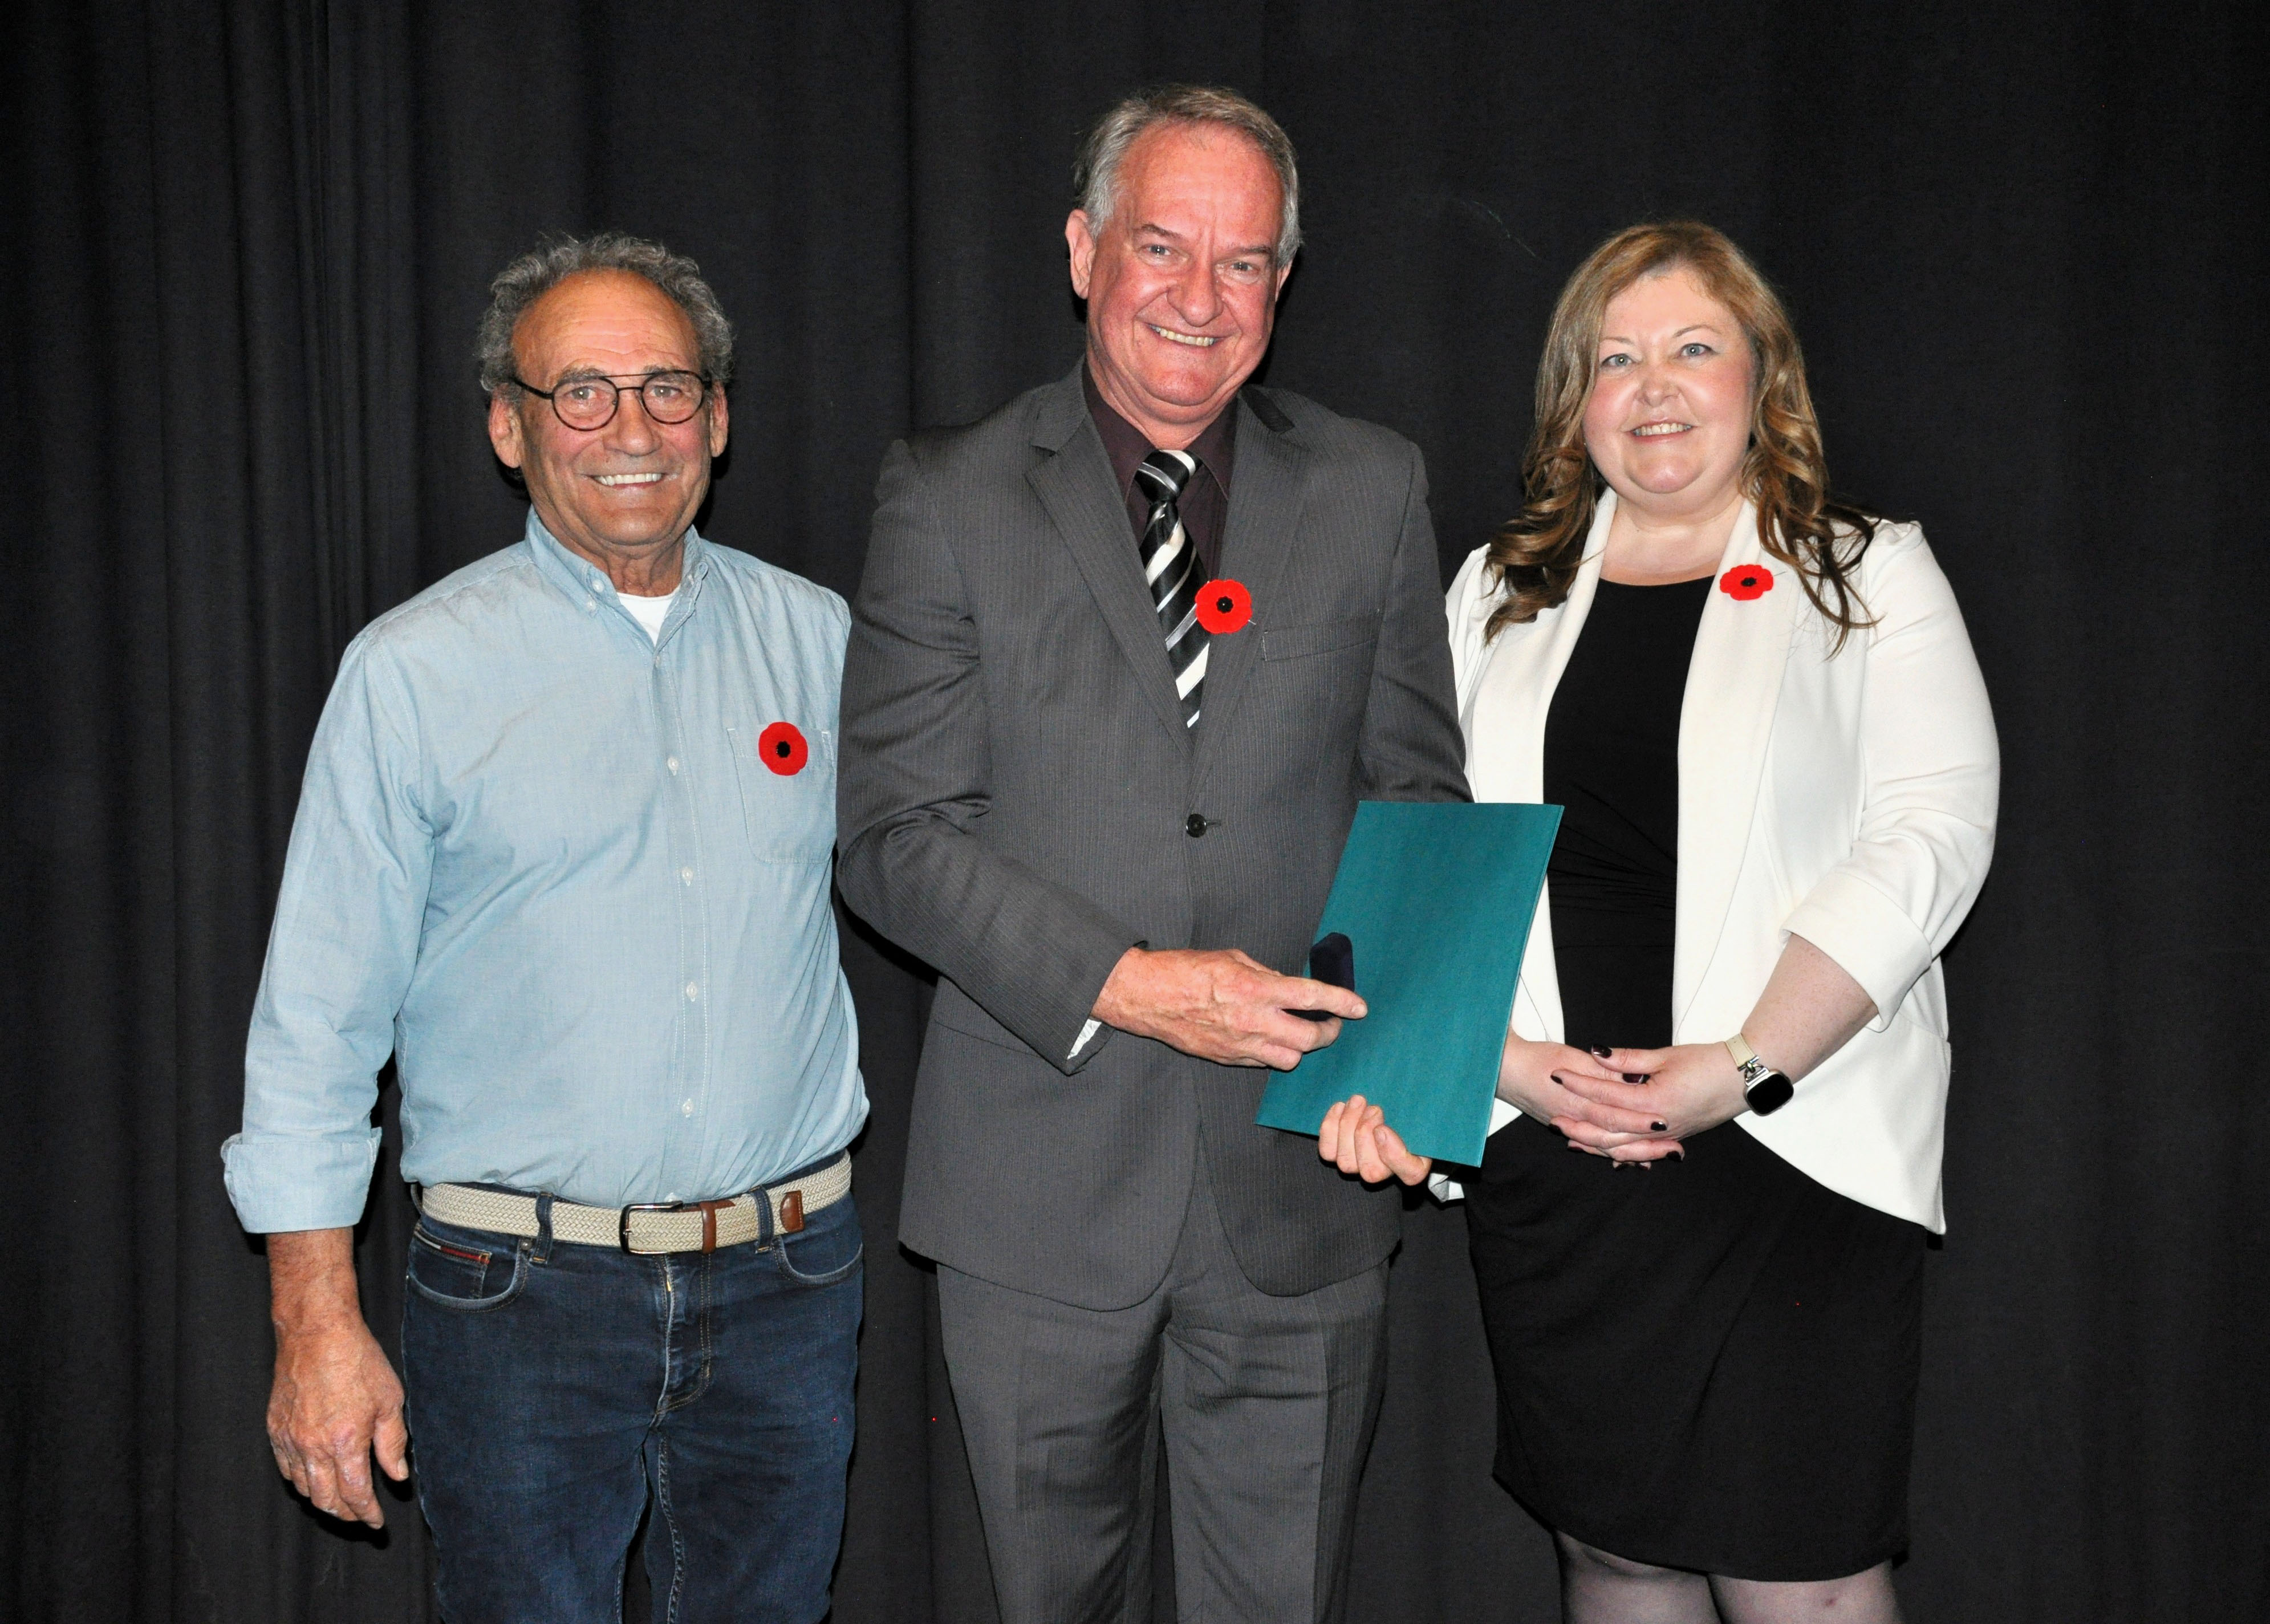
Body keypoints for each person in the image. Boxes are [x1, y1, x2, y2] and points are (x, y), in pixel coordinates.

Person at [835, 86, 1467, 1623]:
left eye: (1244, 262)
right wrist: (1129, 985)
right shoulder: (948, 493)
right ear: (1080, 250)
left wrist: (1410, 1073)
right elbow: (894, 837)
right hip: (1035, 1205)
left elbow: (1418, 806)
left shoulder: (1372, 487)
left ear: (1281, 285)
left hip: (1302, 1191)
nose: (1200, 298)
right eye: (1161, 247)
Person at [1327, 221, 1998, 1621]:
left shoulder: (1867, 574)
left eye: (1692, 347)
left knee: (1802, 1574)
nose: (1653, 385)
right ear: (1575, 401)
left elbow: (1930, 839)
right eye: (1613, 358)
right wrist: (1493, 1067)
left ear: (1763, 378)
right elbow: (1421, 846)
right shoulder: (1494, 594)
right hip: (1557, 1149)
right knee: (1613, 1552)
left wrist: (1740, 1065)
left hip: (1785, 1150)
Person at [221, 234, 868, 1624]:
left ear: (721, 416)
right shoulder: (413, 673)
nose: (631, 428)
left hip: (791, 1284)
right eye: (581, 391)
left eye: (666, 386)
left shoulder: (826, 647)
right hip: (517, 1300)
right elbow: (318, 1024)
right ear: (508, 429)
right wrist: (314, 1323)